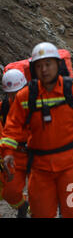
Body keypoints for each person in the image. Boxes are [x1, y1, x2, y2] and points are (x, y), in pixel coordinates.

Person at [2, 42, 73, 218]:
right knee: (41, 214)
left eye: (48, 64)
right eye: (39, 65)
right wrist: (8, 151)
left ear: (58, 65)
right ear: (34, 69)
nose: (44, 69)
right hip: (40, 170)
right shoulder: (25, 96)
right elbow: (12, 126)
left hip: (71, 167)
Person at [0, 69, 29, 217]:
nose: (13, 96)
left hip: (37, 155)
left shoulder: (38, 103)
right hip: (15, 156)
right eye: (10, 93)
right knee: (9, 192)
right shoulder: (5, 107)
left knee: (42, 194)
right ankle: (23, 206)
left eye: (16, 92)